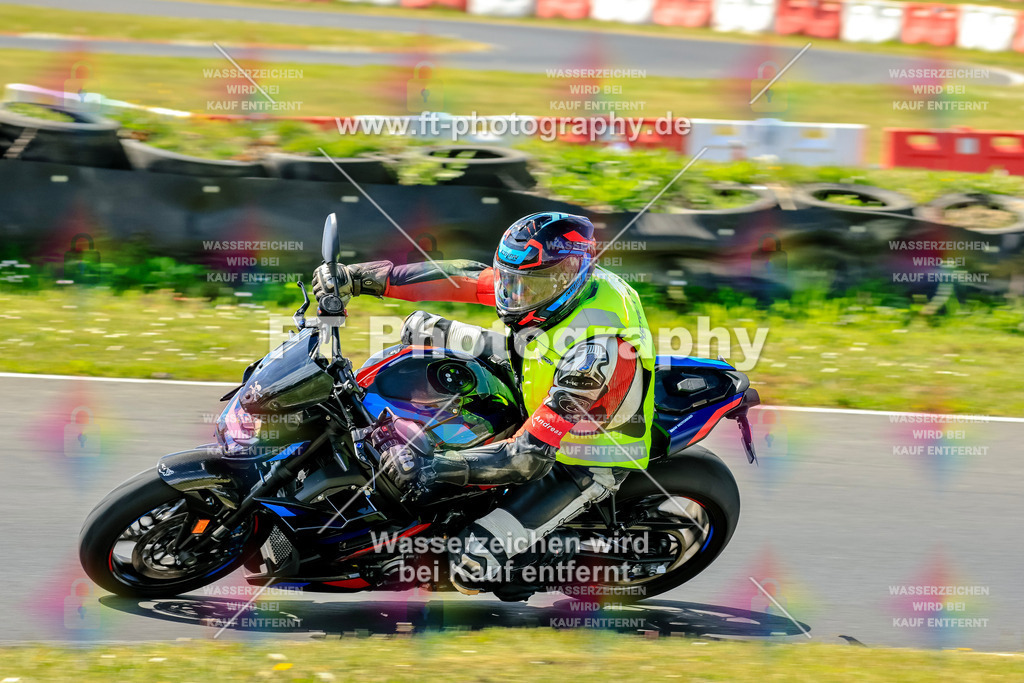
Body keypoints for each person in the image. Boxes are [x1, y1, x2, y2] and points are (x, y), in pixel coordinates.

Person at [312, 211, 655, 594]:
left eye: (527, 287)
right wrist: (358, 278)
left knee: (472, 561)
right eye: (510, 281)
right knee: (421, 328)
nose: (513, 295)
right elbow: (464, 278)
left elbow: (527, 459)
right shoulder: (548, 285)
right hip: (537, 365)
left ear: (567, 279)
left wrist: (430, 465)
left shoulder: (598, 354)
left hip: (581, 455)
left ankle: (540, 561)